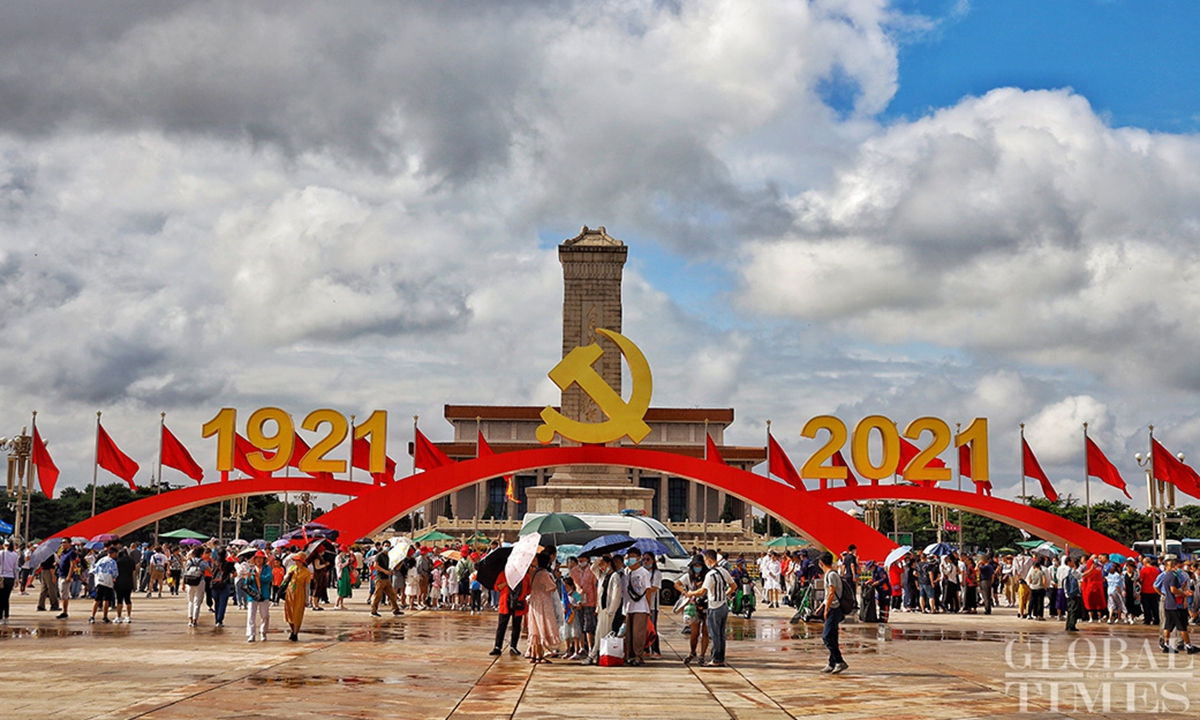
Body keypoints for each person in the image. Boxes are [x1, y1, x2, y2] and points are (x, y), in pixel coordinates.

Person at [688, 549, 734, 668]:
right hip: (723, 605)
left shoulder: (710, 574)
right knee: (721, 634)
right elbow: (734, 586)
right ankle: (721, 658)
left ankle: (715, 659)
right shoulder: (724, 571)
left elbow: (703, 590)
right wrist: (724, 594)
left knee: (714, 634)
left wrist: (690, 594)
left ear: (708, 559)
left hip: (714, 606)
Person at [1154, 554, 1199, 654]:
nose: (1182, 566)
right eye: (1180, 565)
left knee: (1168, 626)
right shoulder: (1173, 576)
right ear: (1176, 565)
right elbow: (1173, 589)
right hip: (1175, 605)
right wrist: (1183, 594)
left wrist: (1183, 590)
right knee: (1182, 626)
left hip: (1168, 604)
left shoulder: (1168, 575)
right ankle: (1189, 646)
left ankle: (1166, 645)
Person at [584, 556, 622, 665]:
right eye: (601, 566)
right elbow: (592, 569)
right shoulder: (602, 576)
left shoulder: (615, 576)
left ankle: (592, 656)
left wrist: (612, 610)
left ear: (609, 564)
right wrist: (598, 561)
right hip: (601, 609)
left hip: (608, 610)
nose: (601, 568)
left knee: (602, 634)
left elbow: (616, 595)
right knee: (600, 633)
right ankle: (598, 655)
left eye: (603, 565)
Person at [524, 553, 560, 664]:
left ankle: (534, 655)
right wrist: (556, 577)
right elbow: (553, 588)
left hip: (534, 601)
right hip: (543, 602)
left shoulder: (534, 572)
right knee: (541, 628)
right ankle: (539, 656)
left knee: (534, 628)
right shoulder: (545, 574)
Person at [675, 555, 710, 665]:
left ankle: (702, 655)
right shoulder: (688, 577)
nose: (697, 567)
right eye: (695, 565)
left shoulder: (707, 576)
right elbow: (676, 584)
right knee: (694, 632)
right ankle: (692, 651)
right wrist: (684, 592)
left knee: (705, 632)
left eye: (699, 565)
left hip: (706, 605)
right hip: (694, 607)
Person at [621, 547, 652, 666]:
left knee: (638, 633)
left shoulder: (644, 573)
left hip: (640, 607)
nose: (630, 559)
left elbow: (648, 590)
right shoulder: (626, 572)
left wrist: (648, 607)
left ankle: (639, 656)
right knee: (628, 634)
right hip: (628, 607)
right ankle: (630, 655)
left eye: (633, 556)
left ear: (639, 558)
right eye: (628, 556)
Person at [819, 551, 848, 674]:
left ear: (821, 563)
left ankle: (839, 661)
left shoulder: (831, 575)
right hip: (832, 607)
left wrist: (826, 609)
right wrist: (821, 606)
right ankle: (832, 663)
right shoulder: (830, 574)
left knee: (826, 636)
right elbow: (828, 594)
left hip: (834, 609)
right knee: (833, 636)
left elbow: (831, 593)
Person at [491, 566, 530, 656]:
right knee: (502, 625)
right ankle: (497, 646)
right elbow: (497, 587)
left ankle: (513, 646)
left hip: (518, 603)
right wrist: (508, 582)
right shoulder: (504, 574)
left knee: (516, 626)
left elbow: (528, 589)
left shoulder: (524, 575)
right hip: (506, 602)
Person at [242, 550, 272, 642]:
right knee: (251, 615)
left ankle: (263, 632)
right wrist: (249, 577)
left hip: (264, 594)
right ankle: (251, 634)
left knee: (265, 615)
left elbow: (269, 578)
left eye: (261, 558)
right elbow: (246, 582)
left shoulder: (267, 568)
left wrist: (259, 577)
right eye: (257, 558)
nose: (259, 560)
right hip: (253, 595)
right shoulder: (251, 568)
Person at [283, 551, 312, 642]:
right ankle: (292, 630)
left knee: (298, 614)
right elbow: (284, 579)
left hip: (300, 593)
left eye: (298, 561)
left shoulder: (306, 572)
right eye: (296, 561)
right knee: (289, 613)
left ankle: (295, 633)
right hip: (290, 592)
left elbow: (307, 587)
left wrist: (307, 600)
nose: (297, 563)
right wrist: (289, 574)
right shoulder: (292, 568)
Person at [90, 547, 119, 624]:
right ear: (113, 553)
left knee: (97, 599)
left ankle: (92, 616)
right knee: (106, 600)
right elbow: (115, 573)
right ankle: (105, 616)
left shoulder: (101, 560)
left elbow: (94, 570)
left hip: (99, 581)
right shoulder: (113, 562)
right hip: (108, 582)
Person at [370, 548, 402, 617]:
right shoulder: (379, 555)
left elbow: (386, 566)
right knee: (378, 595)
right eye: (386, 545)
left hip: (386, 578)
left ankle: (396, 609)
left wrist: (390, 571)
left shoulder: (387, 556)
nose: (387, 548)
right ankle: (373, 611)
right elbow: (375, 565)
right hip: (380, 578)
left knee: (392, 594)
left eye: (388, 546)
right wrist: (385, 571)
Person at [182, 547, 210, 628]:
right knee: (197, 602)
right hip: (199, 581)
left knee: (190, 601)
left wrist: (183, 583)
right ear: (202, 553)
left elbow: (185, 572)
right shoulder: (202, 562)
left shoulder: (189, 561)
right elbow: (209, 570)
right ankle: (195, 620)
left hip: (189, 582)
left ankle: (190, 619)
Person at [211, 548, 236, 628]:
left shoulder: (215, 563)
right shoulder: (229, 564)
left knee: (217, 603)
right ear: (225, 555)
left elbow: (212, 573)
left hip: (214, 585)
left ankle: (216, 620)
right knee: (222, 603)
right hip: (225, 584)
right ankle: (219, 620)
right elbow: (235, 574)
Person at [54, 539, 77, 620]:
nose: (62, 544)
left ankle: (65, 612)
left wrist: (69, 576)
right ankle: (64, 611)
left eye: (64, 542)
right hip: (61, 574)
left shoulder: (71, 553)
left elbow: (72, 565)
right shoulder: (63, 553)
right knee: (62, 594)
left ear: (69, 544)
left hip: (65, 576)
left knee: (65, 595)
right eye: (62, 543)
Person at [113, 546, 136, 624]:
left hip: (119, 582)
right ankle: (128, 616)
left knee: (119, 600)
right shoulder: (131, 561)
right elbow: (134, 571)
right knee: (128, 600)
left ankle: (119, 617)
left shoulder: (117, 561)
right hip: (129, 582)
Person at [0, 540, 19, 624]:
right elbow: (16, 568)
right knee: (6, 598)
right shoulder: (15, 555)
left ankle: (0, 617)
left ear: (5, 545)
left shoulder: (1, 553)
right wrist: (17, 579)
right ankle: (6, 617)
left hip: (2, 577)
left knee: (0, 598)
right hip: (11, 578)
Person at [1139, 556, 1161, 626]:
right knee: (1155, 606)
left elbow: (1141, 580)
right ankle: (1156, 619)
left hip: (1145, 590)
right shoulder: (1156, 570)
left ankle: (1147, 620)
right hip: (1154, 590)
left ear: (1145, 563)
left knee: (1146, 606)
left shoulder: (1143, 570)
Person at [1062, 557, 1082, 631]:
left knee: (1070, 610)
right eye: (1073, 561)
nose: (1074, 562)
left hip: (1067, 592)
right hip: (1073, 592)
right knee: (1074, 610)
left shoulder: (1063, 569)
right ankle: (1071, 625)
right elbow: (1081, 576)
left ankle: (1068, 625)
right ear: (1069, 562)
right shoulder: (1071, 571)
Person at [335, 546, 353, 610]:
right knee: (341, 590)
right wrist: (346, 563)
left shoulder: (342, 557)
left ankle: (341, 604)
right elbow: (339, 566)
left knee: (344, 590)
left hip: (345, 574)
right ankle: (336, 604)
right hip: (341, 575)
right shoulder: (338, 557)